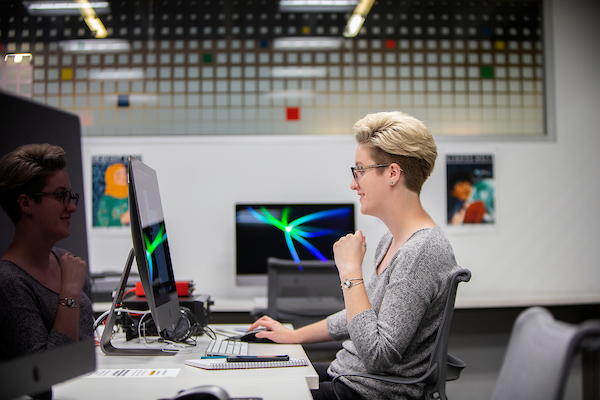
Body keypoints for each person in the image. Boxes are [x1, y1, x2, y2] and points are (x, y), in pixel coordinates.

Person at [249, 111, 461, 400]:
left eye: (360, 170)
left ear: (392, 173)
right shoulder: (392, 240)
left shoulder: (421, 252)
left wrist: (350, 272)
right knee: (256, 374)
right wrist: (294, 336)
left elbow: (378, 354)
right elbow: (362, 317)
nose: (353, 183)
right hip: (349, 376)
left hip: (366, 391)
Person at [0, 143, 93, 361]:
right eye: (61, 195)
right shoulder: (8, 283)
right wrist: (69, 292)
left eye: (70, 196)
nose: (72, 207)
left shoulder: (64, 262)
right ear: (26, 203)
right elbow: (49, 369)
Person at [96, 162, 130, 227]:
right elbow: (102, 223)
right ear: (111, 176)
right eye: (119, 174)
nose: (123, 177)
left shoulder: (131, 196)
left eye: (124, 173)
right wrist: (122, 220)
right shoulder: (107, 199)